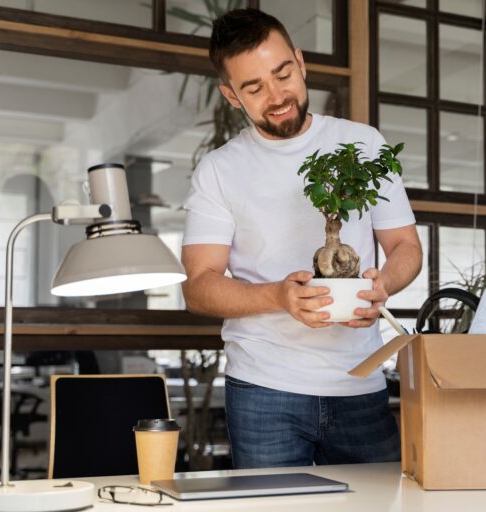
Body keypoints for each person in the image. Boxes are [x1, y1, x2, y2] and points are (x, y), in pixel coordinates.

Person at [181, 8, 422, 468]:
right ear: (231, 95)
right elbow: (198, 284)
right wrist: (278, 296)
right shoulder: (219, 170)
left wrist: (383, 285)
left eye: (282, 73)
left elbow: (405, 248)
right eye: (254, 87)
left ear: (300, 61)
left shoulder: (365, 145)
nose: (277, 96)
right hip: (263, 390)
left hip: (360, 383)